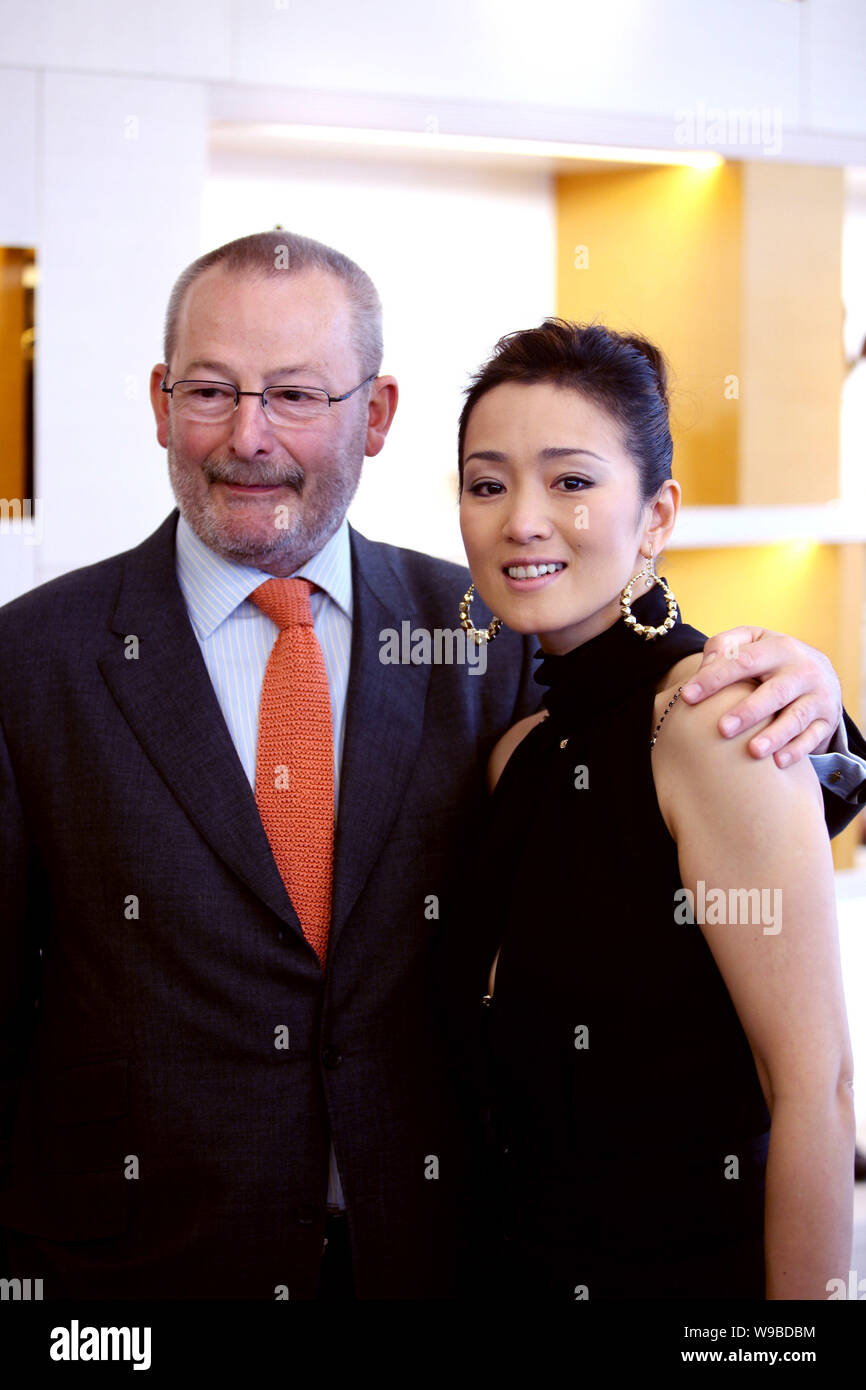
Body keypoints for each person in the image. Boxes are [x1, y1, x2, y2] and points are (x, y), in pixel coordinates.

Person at [0, 234, 862, 1302]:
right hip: (134, 1274)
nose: (247, 435)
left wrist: (821, 706)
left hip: (443, 1263)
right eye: (210, 390)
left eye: (296, 394)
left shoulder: (485, 634)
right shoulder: (29, 659)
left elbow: (677, 779)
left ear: (374, 415)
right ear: (158, 401)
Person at [447, 319, 856, 1300]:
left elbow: (815, 1090)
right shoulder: (519, 749)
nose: (522, 520)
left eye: (571, 481)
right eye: (486, 482)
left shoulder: (708, 719)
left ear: (657, 511)